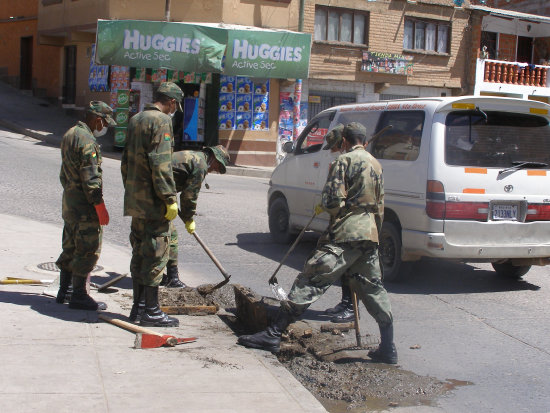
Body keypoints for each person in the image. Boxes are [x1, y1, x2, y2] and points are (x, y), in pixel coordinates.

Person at [238, 122, 398, 364]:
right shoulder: (376, 164)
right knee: (373, 288)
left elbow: (333, 201)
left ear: (344, 140)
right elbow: (380, 205)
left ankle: (272, 334)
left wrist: (328, 204)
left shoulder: (343, 162)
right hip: (369, 233)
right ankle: (388, 348)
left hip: (347, 232)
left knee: (312, 277)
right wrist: (372, 230)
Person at [121, 82, 183, 327]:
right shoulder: (162, 121)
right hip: (154, 202)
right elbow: (161, 165)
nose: (174, 108)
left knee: (139, 252)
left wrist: (132, 190)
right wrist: (170, 198)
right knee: (156, 254)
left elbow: (125, 161)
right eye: (175, 104)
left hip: (136, 200)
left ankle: (138, 308)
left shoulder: (136, 119)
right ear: (170, 101)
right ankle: (152, 311)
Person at [55, 101, 115, 311]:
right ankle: (79, 295)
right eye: (105, 122)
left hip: (70, 202)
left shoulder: (70, 133)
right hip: (84, 207)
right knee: (87, 249)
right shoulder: (88, 141)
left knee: (70, 246)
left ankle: (65, 291)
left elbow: (64, 174)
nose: (104, 127)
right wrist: (100, 207)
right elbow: (91, 180)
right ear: (98, 119)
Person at [161, 145, 230, 288]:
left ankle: (162, 276)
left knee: (163, 235)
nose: (216, 170)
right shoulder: (200, 164)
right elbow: (189, 195)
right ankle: (169, 278)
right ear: (214, 158)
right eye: (218, 166)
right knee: (167, 235)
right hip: (157, 193)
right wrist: (189, 218)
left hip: (160, 191)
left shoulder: (196, 157)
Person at [319, 124, 356, 324]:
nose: (334, 151)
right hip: (341, 221)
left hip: (351, 223)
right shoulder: (344, 160)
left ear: (343, 141)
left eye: (335, 146)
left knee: (352, 269)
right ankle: (345, 302)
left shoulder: (352, 161)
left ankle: (351, 308)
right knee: (343, 266)